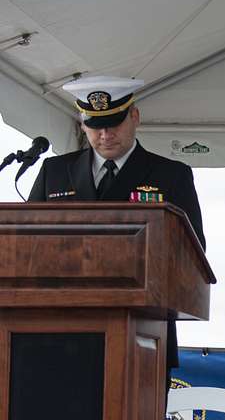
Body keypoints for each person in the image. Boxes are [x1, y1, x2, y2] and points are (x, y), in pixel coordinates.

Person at [28, 75, 205, 389]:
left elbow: (192, 254)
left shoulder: (171, 175)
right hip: (57, 335)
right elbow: (27, 248)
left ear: (134, 117)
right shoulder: (54, 172)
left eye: (114, 124)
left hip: (143, 335)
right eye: (95, 126)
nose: (105, 135)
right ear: (82, 124)